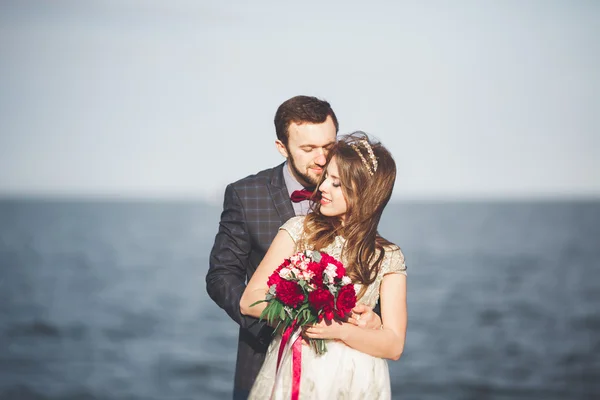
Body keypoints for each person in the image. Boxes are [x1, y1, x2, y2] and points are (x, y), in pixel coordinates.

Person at [206, 96, 382, 400]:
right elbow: (221, 278)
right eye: (308, 149)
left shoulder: (354, 191)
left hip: (344, 369)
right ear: (282, 147)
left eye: (328, 147)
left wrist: (374, 319)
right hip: (264, 360)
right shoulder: (245, 195)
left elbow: (368, 270)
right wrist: (278, 321)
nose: (321, 159)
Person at [240, 132, 408, 399]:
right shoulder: (299, 231)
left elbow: (394, 344)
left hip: (357, 381)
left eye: (337, 183)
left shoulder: (388, 256)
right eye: (326, 177)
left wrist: (343, 330)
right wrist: (306, 312)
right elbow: (249, 299)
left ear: (365, 194)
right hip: (299, 371)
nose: (323, 188)